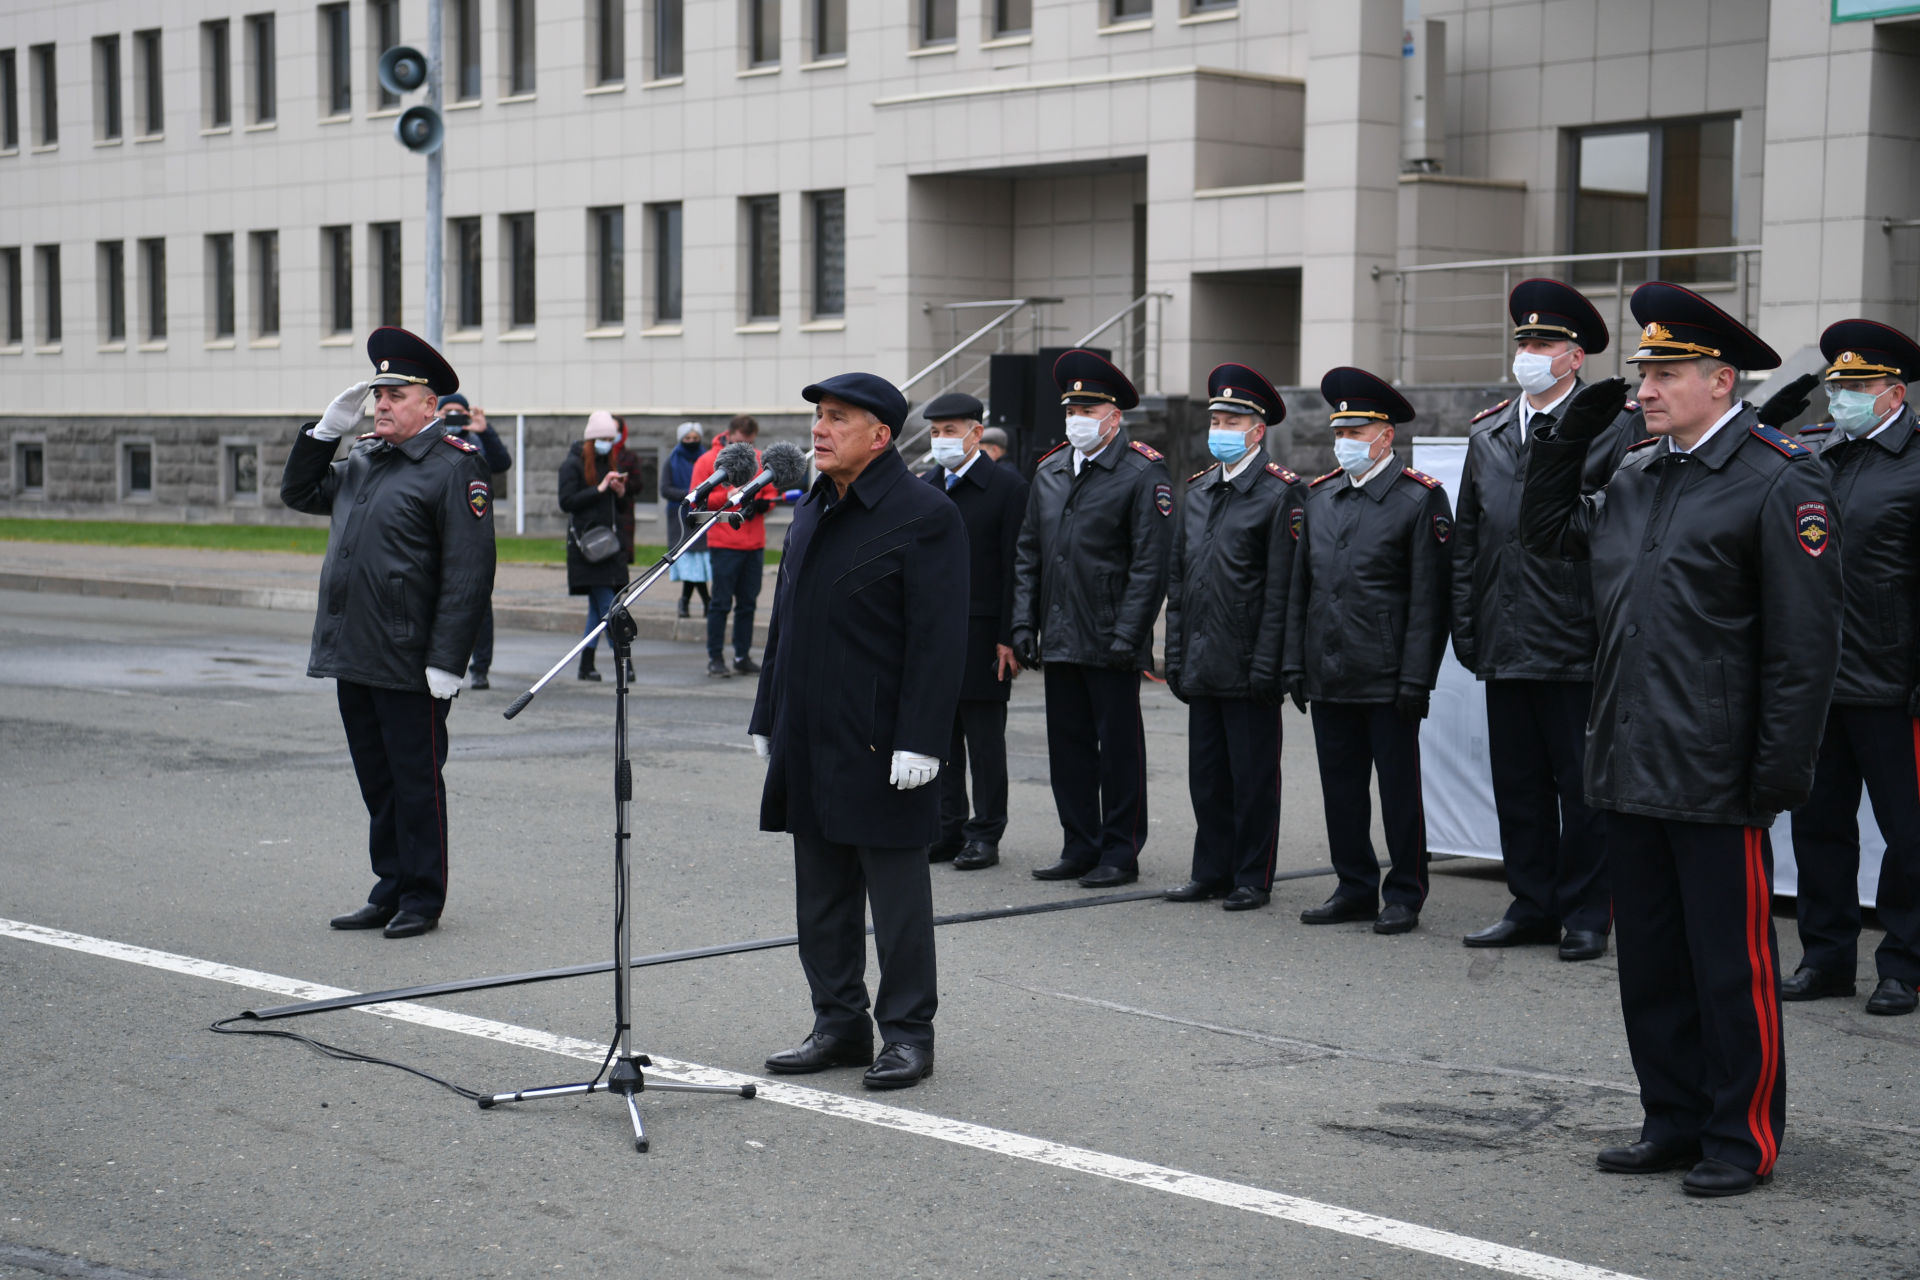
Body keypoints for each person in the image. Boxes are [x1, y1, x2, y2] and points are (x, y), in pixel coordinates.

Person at [1520, 282, 1842, 1197]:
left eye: (1663, 374)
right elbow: (1548, 536)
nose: (1643, 391)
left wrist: (1776, 772)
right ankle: (1671, 1118)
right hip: (1629, 756)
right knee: (1653, 963)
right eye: (1640, 374)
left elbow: (1804, 647)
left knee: (1729, 968)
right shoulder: (1637, 474)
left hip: (1716, 768)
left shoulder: (1781, 479)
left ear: (1720, 379)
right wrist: (1561, 441)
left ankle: (1741, 1137)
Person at [749, 372, 968, 1090]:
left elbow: (939, 642)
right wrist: (766, 713)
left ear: (880, 436)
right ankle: (838, 1023)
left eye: (837, 418)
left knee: (896, 900)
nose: (818, 429)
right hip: (808, 735)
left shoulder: (925, 514)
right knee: (821, 894)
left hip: (882, 743)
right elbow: (786, 620)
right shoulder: (813, 506)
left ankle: (907, 1034)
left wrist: (923, 740)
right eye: (817, 416)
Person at [1451, 280, 1647, 961]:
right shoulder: (1491, 431)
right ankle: (1531, 903)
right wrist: (1467, 627)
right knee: (1520, 786)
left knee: (1583, 787)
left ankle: (1588, 912)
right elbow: (1469, 540)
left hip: (1576, 636)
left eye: (1543, 344)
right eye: (1524, 342)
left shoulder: (1617, 427)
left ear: (1574, 357)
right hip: (1506, 635)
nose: (1529, 354)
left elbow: (1619, 535)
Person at [279, 326, 495, 940]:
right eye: (378, 395)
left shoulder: (454, 467)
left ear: (430, 405)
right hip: (356, 649)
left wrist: (449, 660)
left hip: (410, 658)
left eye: (395, 396)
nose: (381, 406)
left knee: (415, 780)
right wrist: (323, 434)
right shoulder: (366, 458)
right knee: (377, 780)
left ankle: (423, 896)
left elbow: (469, 572)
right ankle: (389, 885)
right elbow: (299, 493)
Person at [1282, 367, 1451, 935]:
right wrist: (1295, 664)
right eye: (1342, 431)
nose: (1347, 442)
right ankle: (1353, 885)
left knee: (1399, 790)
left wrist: (1416, 680)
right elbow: (1300, 590)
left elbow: (1430, 599)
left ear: (1386, 436)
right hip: (1329, 669)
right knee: (1341, 789)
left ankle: (1405, 890)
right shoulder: (1321, 496)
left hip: (1386, 674)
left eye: (1358, 432)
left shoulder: (1418, 499)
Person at [1784, 320, 1920, 1018]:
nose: (1842, 397)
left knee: (1910, 833)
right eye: (1837, 385)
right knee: (1820, 827)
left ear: (1894, 393)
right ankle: (1827, 956)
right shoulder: (1814, 456)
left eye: (1858, 386)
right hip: (1819, 679)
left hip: (1894, 682)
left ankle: (1903, 964)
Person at [1009, 350, 1173, 889]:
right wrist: (1023, 624)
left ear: (1114, 416)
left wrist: (1131, 635)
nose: (1078, 417)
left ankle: (1119, 851)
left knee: (1119, 751)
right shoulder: (1052, 468)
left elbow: (1150, 564)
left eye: (1089, 408)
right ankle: (1078, 844)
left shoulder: (1142, 472)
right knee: (1069, 748)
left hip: (1109, 636)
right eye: (1071, 408)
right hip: (1058, 633)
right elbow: (1029, 552)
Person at [1162, 364, 1305, 912]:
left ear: (1256, 430)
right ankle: (1211, 869)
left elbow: (1282, 592)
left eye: (1230, 419)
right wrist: (1174, 655)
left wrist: (1271, 665)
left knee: (1252, 780)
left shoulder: (1279, 495)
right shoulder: (1198, 491)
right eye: (1215, 418)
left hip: (1249, 663)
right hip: (1203, 659)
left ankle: (1252, 874)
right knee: (1209, 779)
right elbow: (1181, 580)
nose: (1218, 427)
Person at [922, 391, 1030, 871]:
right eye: (935, 431)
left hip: (985, 635)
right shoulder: (927, 486)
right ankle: (947, 827)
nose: (942, 439)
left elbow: (1016, 566)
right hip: (933, 635)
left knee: (984, 742)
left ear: (975, 432)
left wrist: (1011, 635)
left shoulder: (1006, 487)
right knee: (941, 739)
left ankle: (985, 832)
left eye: (950, 430)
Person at [438, 392, 512, 690]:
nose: (454, 419)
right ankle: (442, 665)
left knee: (479, 606)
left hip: (474, 535)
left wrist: (485, 430)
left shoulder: (477, 442)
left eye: (460, 413)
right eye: (448, 413)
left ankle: (480, 668)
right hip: (440, 532)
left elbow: (502, 463)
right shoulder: (431, 440)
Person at [558, 411, 631, 683]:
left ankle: (586, 665)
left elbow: (618, 509)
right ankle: (623, 662)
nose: (607, 443)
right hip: (588, 549)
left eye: (611, 439)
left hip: (609, 547)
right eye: (602, 438)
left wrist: (620, 493)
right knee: (610, 607)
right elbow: (566, 501)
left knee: (599, 610)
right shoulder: (573, 464)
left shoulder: (609, 461)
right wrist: (600, 489)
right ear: (591, 439)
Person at [692, 414, 767, 679]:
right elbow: (696, 500)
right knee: (721, 603)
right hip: (724, 542)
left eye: (750, 443)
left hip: (754, 543)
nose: (747, 448)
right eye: (741, 442)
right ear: (730, 435)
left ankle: (742, 656)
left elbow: (768, 494)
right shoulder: (707, 461)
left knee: (747, 604)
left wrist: (760, 502)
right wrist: (727, 495)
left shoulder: (758, 459)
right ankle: (715, 657)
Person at [662, 422, 712, 618]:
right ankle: (703, 601)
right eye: (687, 438)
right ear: (681, 439)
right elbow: (665, 489)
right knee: (689, 561)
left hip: (701, 515)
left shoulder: (707, 458)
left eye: (695, 438)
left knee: (697, 562)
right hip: (680, 518)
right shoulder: (671, 461)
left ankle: (687, 602)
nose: (692, 442)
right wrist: (689, 495)